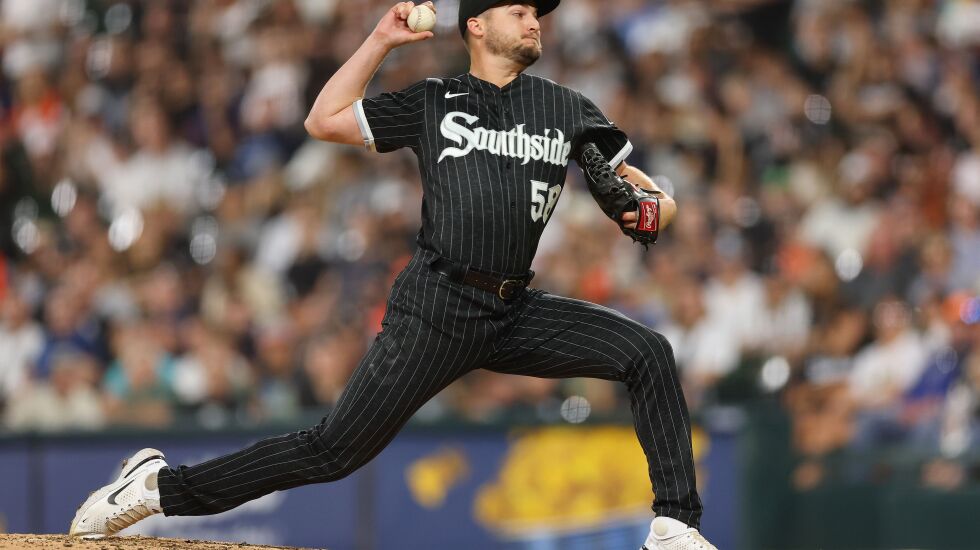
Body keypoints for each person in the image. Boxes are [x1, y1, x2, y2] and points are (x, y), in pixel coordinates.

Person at [69, 2, 714, 549]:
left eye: (535, 12)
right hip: (437, 306)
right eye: (517, 9)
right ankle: (156, 489)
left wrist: (649, 207)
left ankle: (674, 529)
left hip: (514, 309)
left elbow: (653, 204)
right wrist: (380, 39)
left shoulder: (565, 108)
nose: (533, 19)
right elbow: (322, 120)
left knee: (648, 352)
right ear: (477, 25)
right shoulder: (436, 100)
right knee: (331, 452)